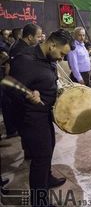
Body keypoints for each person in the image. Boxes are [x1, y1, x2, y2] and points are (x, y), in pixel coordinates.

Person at [9, 29, 75, 206]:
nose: (61, 58)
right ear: (52, 44)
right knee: (40, 159)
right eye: (61, 53)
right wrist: (27, 94)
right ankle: (40, 202)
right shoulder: (25, 59)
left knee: (49, 148)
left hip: (45, 114)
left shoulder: (48, 59)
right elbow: (8, 86)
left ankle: (48, 179)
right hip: (31, 118)